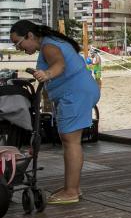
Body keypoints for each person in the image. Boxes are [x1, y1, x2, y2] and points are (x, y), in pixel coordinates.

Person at [9, 20, 100, 204]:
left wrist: (47, 74)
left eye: (18, 43)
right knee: (69, 140)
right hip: (79, 91)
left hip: (75, 94)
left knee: (71, 141)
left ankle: (71, 191)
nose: (18, 48)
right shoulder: (50, 41)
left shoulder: (49, 46)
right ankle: (72, 186)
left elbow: (59, 64)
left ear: (30, 36)